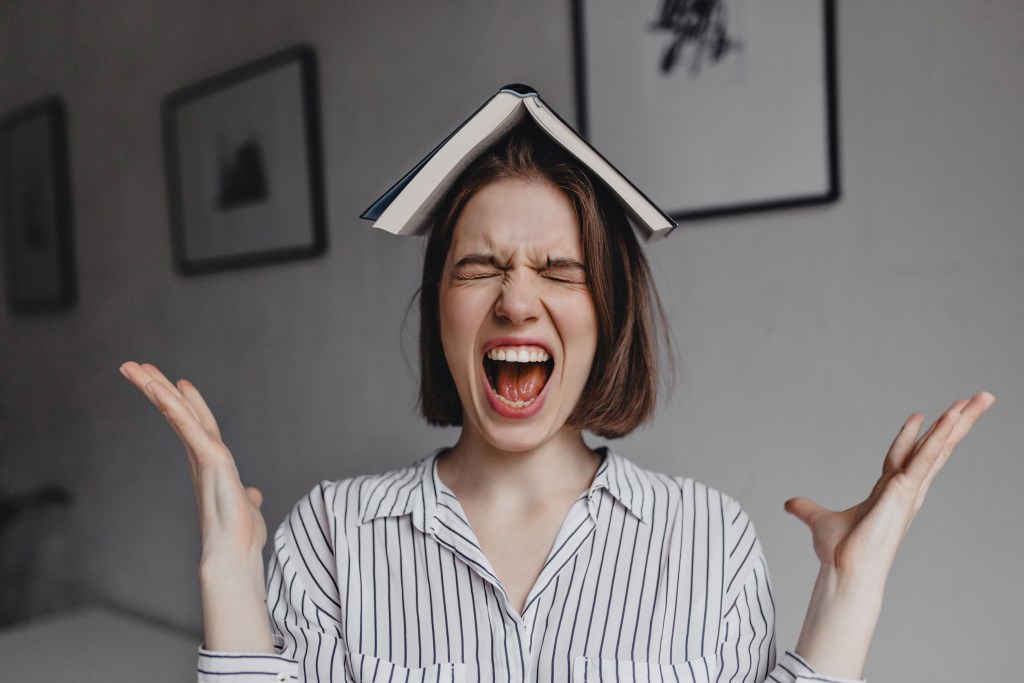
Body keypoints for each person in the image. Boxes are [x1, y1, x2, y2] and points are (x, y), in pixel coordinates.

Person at [120, 123, 993, 682]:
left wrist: (848, 586)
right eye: (479, 267)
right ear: (441, 309)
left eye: (559, 270)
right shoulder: (332, 536)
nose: (516, 299)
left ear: (606, 314)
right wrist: (230, 574)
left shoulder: (710, 539)